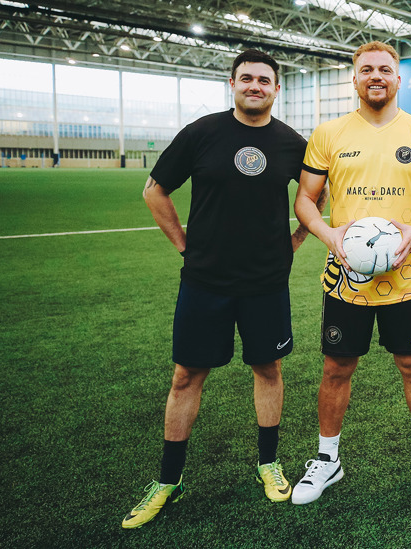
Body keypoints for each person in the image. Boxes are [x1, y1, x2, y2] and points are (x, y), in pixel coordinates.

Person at [122, 49, 327, 528]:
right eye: (246, 79)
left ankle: (269, 464)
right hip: (205, 281)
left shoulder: (292, 144)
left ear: (277, 89)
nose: (255, 86)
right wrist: (183, 246)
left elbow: (319, 197)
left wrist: (294, 241)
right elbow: (155, 189)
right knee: (186, 376)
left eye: (264, 80)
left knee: (267, 368)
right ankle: (168, 480)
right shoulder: (202, 133)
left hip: (265, 282)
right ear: (231, 84)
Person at [291, 41, 411, 504]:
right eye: (367, 69)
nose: (376, 76)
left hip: (406, 276)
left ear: (398, 78)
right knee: (337, 366)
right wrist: (331, 236)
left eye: (385, 69)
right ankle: (327, 460)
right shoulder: (328, 133)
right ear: (355, 78)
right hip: (347, 277)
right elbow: (305, 198)